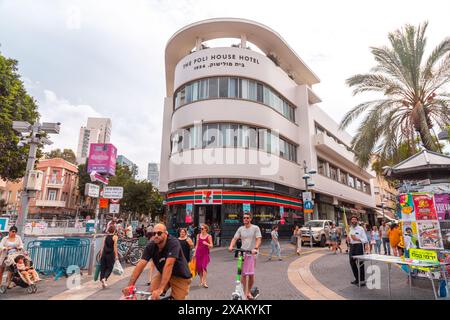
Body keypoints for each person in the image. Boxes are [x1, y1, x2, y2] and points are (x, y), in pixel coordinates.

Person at [123, 223, 192, 300]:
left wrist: (161, 288)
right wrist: (130, 286)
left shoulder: (173, 243)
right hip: (163, 273)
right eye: (154, 233)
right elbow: (141, 264)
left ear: (166, 233)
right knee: (150, 294)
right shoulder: (151, 245)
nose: (156, 235)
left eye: (159, 233)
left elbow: (169, 265)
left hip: (180, 276)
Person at [228, 213, 262, 300]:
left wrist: (256, 248)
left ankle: (249, 291)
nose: (245, 219)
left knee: (250, 274)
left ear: (250, 219)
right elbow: (235, 238)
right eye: (244, 218)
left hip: (252, 253)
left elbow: (258, 239)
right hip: (243, 252)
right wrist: (231, 246)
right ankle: (244, 291)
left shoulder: (255, 228)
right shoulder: (241, 229)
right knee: (242, 274)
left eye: (247, 218)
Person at [347, 216, 369, 286]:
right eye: (352, 219)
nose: (353, 221)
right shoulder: (349, 229)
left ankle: (362, 281)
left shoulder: (361, 229)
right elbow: (349, 238)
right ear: (351, 221)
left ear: (357, 221)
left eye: (355, 219)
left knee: (360, 263)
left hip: (359, 246)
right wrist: (348, 240)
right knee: (352, 262)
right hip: (352, 247)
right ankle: (357, 279)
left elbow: (365, 239)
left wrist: (357, 239)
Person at [193, 223, 213, 288]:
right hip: (198, 253)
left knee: (204, 267)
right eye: (200, 229)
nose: (201, 230)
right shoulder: (198, 235)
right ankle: (201, 280)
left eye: (202, 229)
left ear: (206, 229)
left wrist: (207, 243)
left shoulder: (209, 236)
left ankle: (204, 282)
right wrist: (194, 253)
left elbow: (211, 245)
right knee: (199, 268)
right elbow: (196, 245)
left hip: (205, 253)